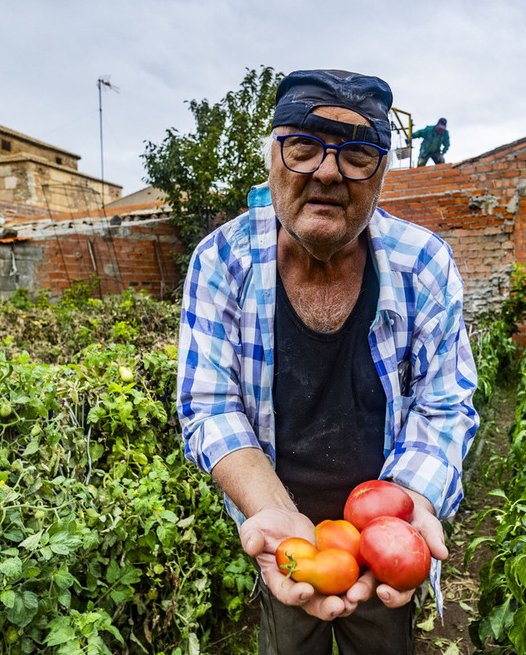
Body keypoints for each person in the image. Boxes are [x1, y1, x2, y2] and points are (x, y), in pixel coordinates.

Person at [177, 69, 478, 655]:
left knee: (384, 641)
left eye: (359, 155)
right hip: (281, 535)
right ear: (273, 157)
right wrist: (272, 515)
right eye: (304, 147)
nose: (328, 171)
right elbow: (209, 406)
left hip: (383, 541)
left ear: (383, 174)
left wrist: (401, 518)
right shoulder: (222, 261)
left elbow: (445, 405)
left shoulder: (424, 264)